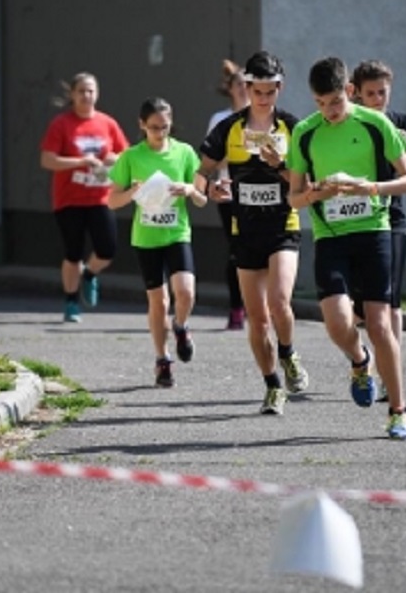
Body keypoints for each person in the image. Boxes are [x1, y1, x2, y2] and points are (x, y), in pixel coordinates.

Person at [286, 56, 406, 440]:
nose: (329, 111)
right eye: (320, 103)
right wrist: (316, 192)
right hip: (330, 235)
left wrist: (370, 188)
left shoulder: (376, 123)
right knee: (337, 323)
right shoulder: (305, 134)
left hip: (373, 231)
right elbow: (294, 198)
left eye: (335, 102)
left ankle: (399, 412)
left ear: (349, 91)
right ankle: (360, 362)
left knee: (380, 324)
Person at [197, 51, 309, 416]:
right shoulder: (227, 128)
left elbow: (304, 183)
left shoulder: (294, 128)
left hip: (283, 226)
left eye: (270, 92)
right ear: (247, 87)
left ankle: (289, 354)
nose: (263, 98)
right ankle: (272, 385)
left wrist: (281, 167)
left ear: (280, 88)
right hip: (244, 229)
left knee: (279, 303)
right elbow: (203, 172)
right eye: (257, 91)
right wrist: (209, 189)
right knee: (257, 318)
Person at [108, 97, 206, 387]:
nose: (160, 133)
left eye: (165, 127)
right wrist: (132, 193)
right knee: (159, 301)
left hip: (177, 234)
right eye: (154, 128)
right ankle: (163, 359)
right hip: (146, 239)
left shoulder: (184, 153)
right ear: (142, 125)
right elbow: (113, 200)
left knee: (185, 293)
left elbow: (202, 198)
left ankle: (181, 326)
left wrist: (189, 189)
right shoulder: (131, 156)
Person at [350, 59, 406, 402]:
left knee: (391, 304)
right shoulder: (351, 125)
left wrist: (403, 143)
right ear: (358, 94)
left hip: (391, 219)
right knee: (358, 309)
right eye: (371, 93)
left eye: (383, 92)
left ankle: (388, 376)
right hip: (352, 222)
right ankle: (363, 359)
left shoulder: (399, 122)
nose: (378, 99)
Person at [40, 73, 130, 323]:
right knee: (73, 253)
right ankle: (71, 302)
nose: (87, 96)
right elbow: (47, 159)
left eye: (91, 91)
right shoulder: (62, 124)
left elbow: (126, 156)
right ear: (72, 95)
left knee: (107, 248)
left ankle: (89, 274)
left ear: (97, 94)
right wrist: (80, 161)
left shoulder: (107, 123)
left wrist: (114, 159)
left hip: (100, 197)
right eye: (81, 91)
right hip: (69, 199)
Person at [206, 60, 250, 331]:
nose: (245, 89)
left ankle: (261, 308)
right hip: (229, 194)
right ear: (231, 89)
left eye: (249, 84)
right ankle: (236, 308)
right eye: (240, 84)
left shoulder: (264, 116)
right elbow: (211, 159)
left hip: (260, 196)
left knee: (261, 250)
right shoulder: (220, 120)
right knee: (237, 251)